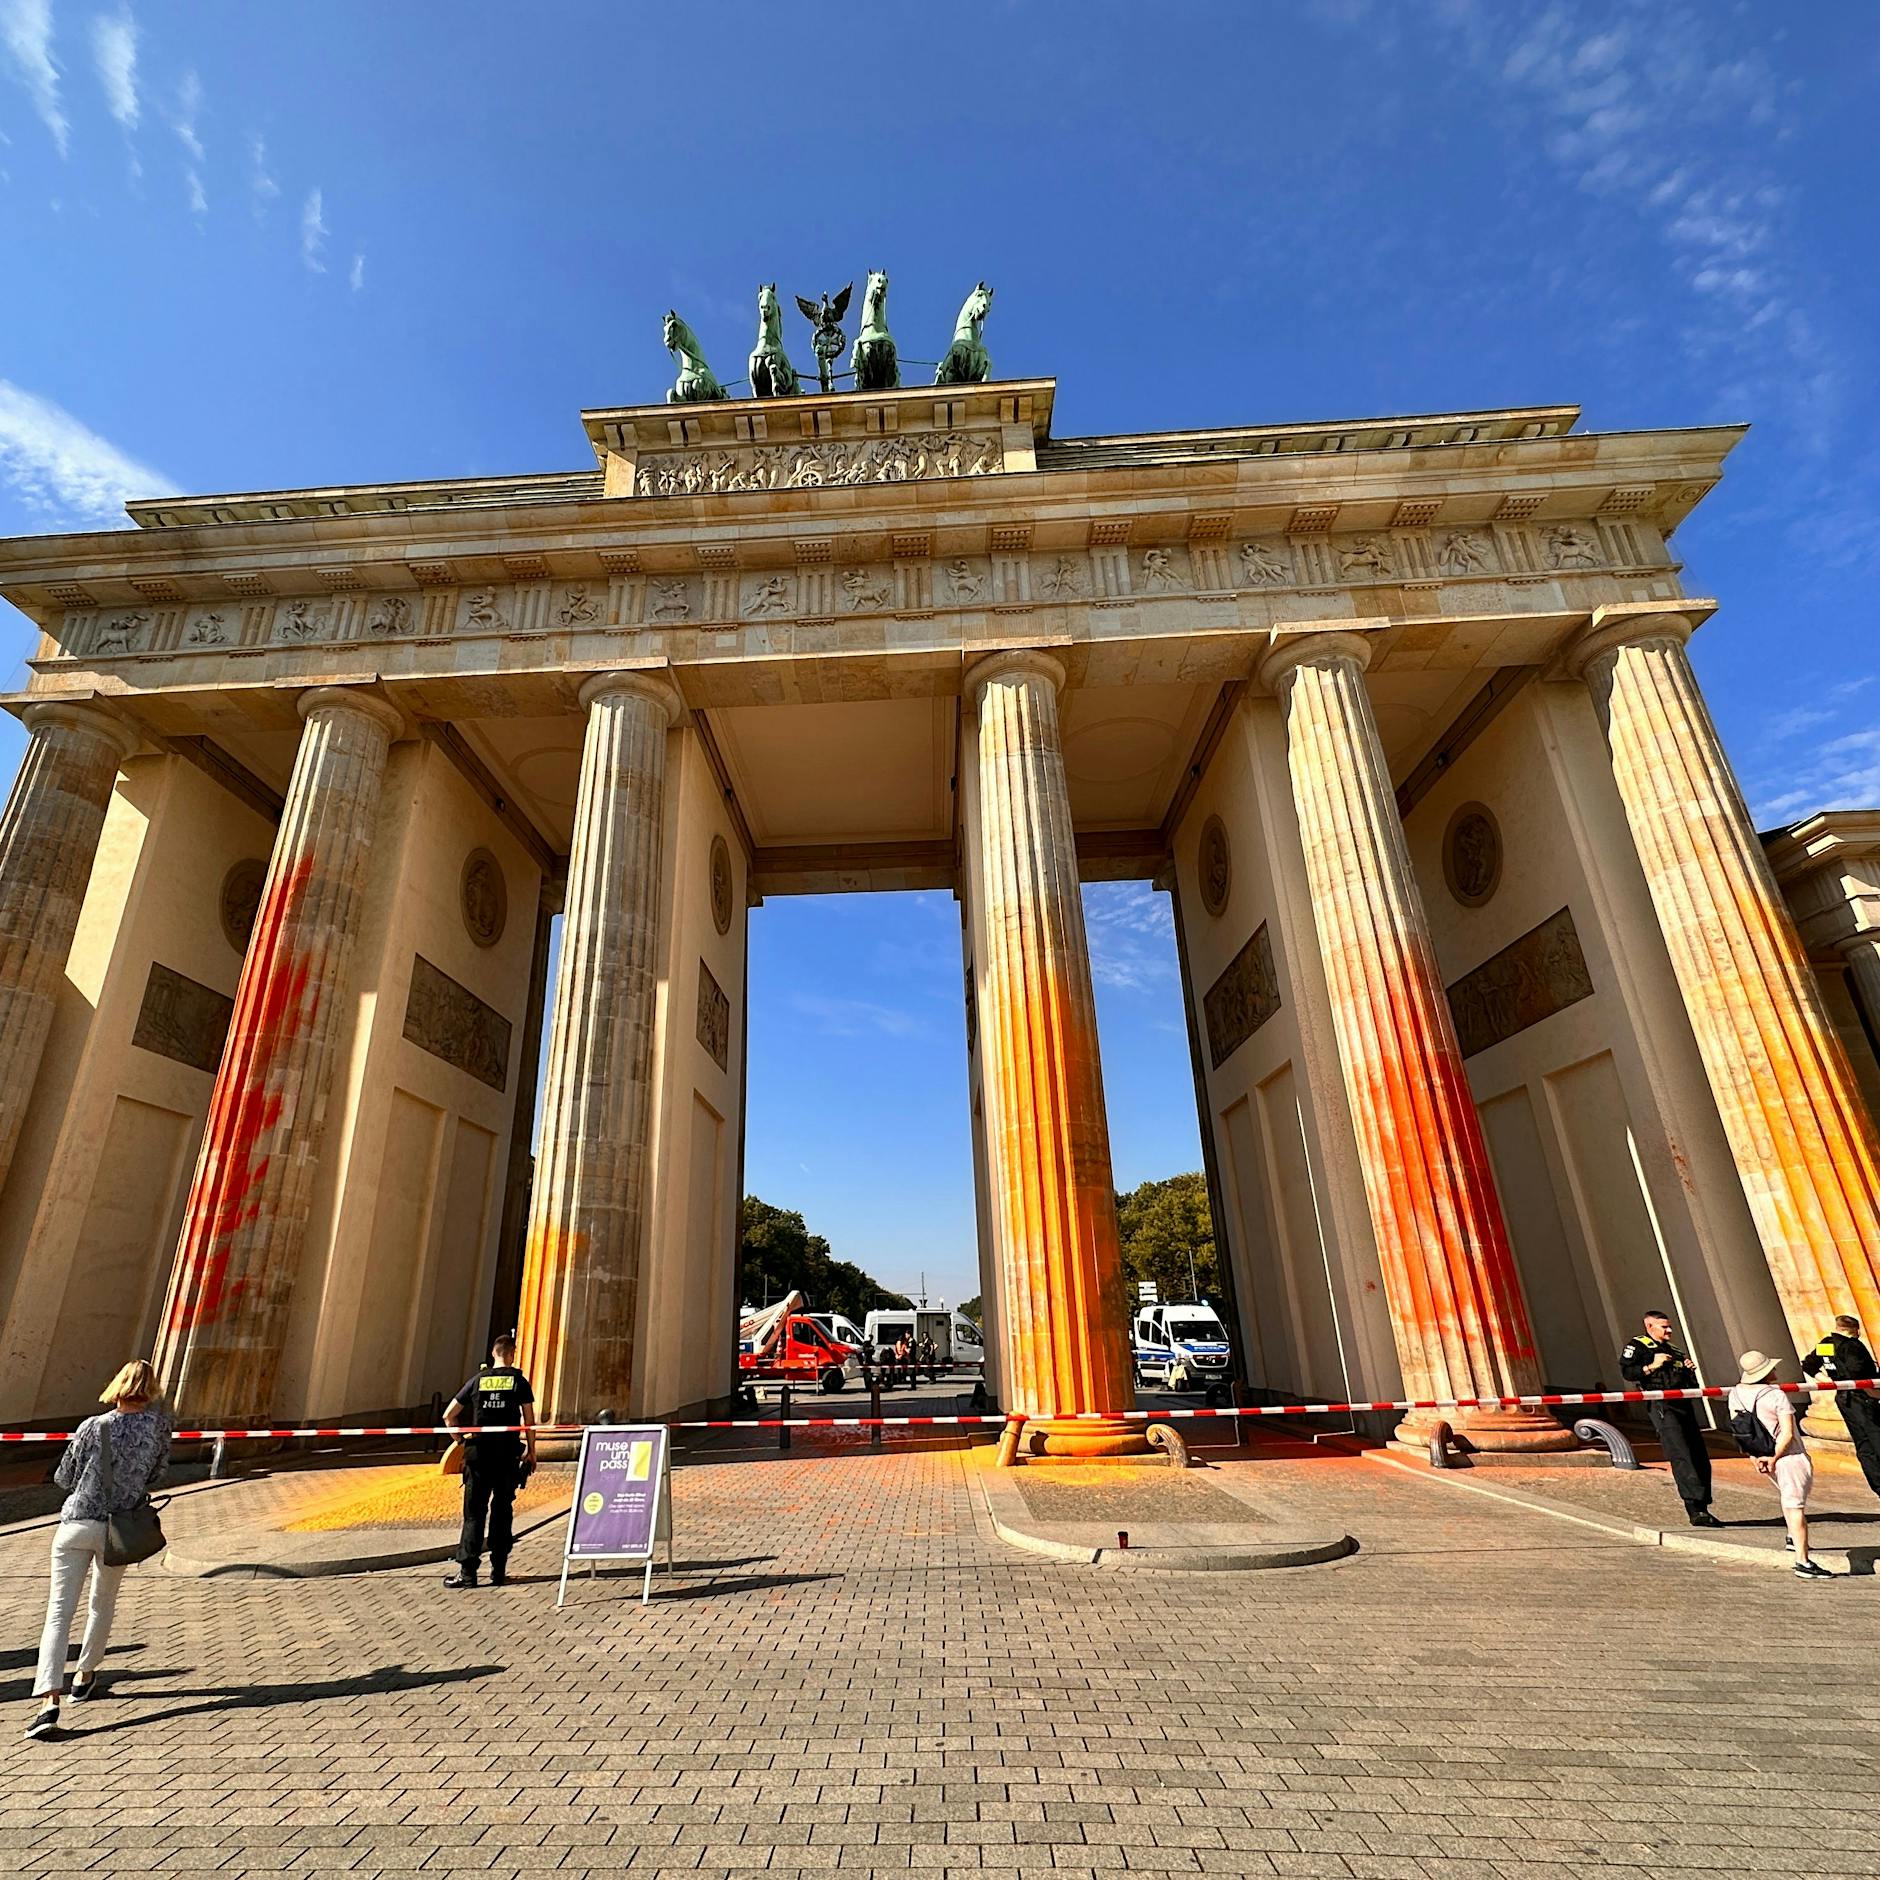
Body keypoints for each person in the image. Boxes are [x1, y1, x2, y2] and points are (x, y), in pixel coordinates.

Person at [27, 1360, 171, 1741]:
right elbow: (157, 1473)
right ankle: (86, 1676)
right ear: (150, 1388)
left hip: (76, 1525)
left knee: (59, 1611)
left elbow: (64, 1477)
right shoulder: (158, 1426)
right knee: (102, 1602)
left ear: (117, 1386)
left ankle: (48, 1701)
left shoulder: (93, 1426)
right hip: (120, 1529)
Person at [1728, 1351, 1833, 1578]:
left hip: (1762, 1454)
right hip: (1789, 1456)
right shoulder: (1776, 1395)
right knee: (1795, 1507)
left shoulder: (1735, 1394)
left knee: (1788, 1500)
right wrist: (1775, 1457)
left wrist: (1756, 1457)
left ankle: (1792, 1539)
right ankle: (1802, 1561)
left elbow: (1741, 1431)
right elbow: (1787, 1434)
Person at [443, 1333, 535, 1589]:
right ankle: (498, 1569)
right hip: (507, 1454)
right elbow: (529, 1420)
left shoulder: (477, 1381)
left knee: (474, 1514)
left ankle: (468, 1572)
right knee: (502, 1510)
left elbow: (448, 1416)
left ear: (493, 1354)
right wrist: (532, 1451)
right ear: (512, 1353)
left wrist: (461, 1441)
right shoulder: (519, 1381)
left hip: (479, 1455)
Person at [1620, 1311, 1721, 1527]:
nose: (1669, 1331)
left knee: (1698, 1454)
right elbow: (1628, 1373)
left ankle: (1703, 1502)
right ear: (1649, 1326)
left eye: (1669, 1327)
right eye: (1664, 1327)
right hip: (1661, 1405)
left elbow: (1688, 1382)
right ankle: (1694, 1509)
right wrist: (1652, 1366)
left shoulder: (1675, 1351)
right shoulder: (1638, 1346)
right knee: (1681, 1453)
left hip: (1683, 1404)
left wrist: (1689, 1371)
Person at [1801, 1314, 1880, 1498]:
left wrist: (1828, 1381)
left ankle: (1877, 1483)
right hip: (1863, 1396)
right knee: (1876, 1436)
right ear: (1854, 1330)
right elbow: (1857, 1373)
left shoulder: (1826, 1344)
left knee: (1862, 1442)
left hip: (1844, 1398)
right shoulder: (1853, 1346)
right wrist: (1874, 1392)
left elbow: (1809, 1365)